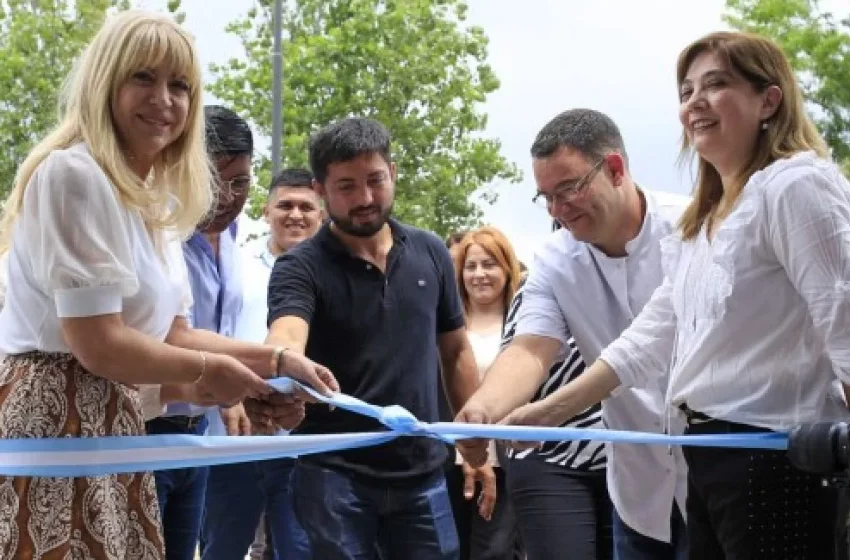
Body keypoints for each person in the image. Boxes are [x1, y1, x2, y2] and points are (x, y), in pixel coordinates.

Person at [484, 31, 850, 559]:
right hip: (705, 462)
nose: (694, 102)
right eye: (685, 91)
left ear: (769, 100)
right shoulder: (704, 219)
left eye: (716, 84)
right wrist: (545, 412)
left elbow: (842, 320)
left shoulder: (795, 185)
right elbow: (648, 341)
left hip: (776, 462)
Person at [0, 11, 335, 558]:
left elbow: (174, 334)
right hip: (55, 424)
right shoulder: (75, 175)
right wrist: (213, 375)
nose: (164, 99)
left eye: (180, 85)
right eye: (143, 78)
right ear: (105, 82)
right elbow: (98, 343)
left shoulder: (155, 200)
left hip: (118, 422)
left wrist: (271, 364)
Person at [455, 108, 690, 560]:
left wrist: (548, 412)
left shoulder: (691, 229)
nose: (559, 211)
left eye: (569, 189)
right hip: (639, 494)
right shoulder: (553, 260)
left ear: (616, 168)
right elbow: (529, 348)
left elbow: (644, 349)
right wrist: (483, 409)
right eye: (545, 198)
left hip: (712, 478)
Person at [262, 116, 491, 560]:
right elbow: (287, 334)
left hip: (423, 470)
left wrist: (475, 442)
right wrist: (285, 361)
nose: (365, 198)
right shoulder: (299, 268)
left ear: (394, 173)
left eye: (375, 180)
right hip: (334, 474)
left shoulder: (431, 252)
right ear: (321, 190)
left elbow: (456, 348)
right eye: (346, 186)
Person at [145, 104, 252, 560]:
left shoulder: (232, 238)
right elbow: (173, 337)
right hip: (145, 430)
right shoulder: (156, 233)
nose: (227, 197)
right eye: (213, 182)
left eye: (241, 182)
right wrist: (273, 365)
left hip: (199, 433)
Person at [203, 168, 322, 560]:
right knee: (223, 548)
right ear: (266, 210)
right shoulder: (235, 267)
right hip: (234, 438)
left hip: (306, 443)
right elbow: (213, 334)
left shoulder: (335, 275)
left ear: (321, 214)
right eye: (285, 205)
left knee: (300, 550)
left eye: (307, 207)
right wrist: (227, 396)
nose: (296, 215)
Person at [448, 226, 523, 560]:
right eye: (471, 266)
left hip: (509, 463)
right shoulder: (448, 330)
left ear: (508, 270)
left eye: (489, 264)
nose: (479, 274)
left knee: (493, 553)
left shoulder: (526, 327)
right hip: (449, 461)